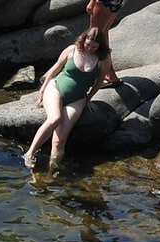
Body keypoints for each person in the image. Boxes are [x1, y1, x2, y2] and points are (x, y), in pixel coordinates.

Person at [24, 27, 119, 169]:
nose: (89, 48)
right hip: (55, 88)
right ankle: (29, 154)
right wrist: (42, 91)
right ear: (84, 39)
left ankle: (52, 173)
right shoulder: (71, 50)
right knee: (55, 119)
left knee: (59, 141)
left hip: (77, 98)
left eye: (94, 46)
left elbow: (99, 81)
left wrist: (88, 98)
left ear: (100, 46)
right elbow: (55, 69)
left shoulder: (103, 59)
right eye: (88, 44)